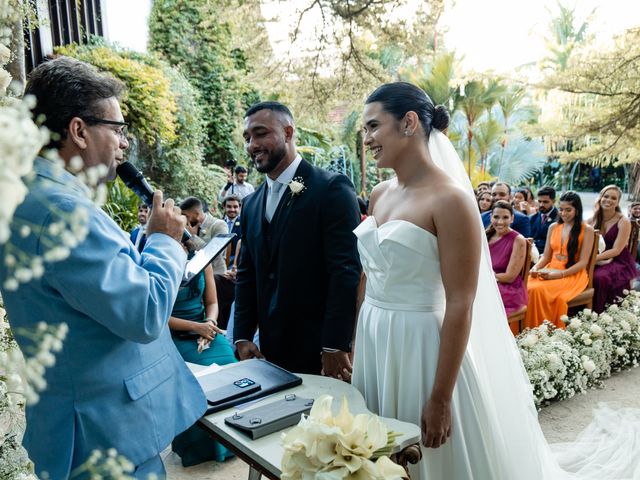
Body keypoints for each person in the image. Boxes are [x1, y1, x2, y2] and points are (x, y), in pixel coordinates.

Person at [352, 82, 640, 480]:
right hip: (374, 337)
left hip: (422, 344)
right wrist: (356, 338)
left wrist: (440, 397)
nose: (366, 139)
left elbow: (460, 302)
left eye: (372, 127)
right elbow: (369, 273)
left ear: (409, 123)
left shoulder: (450, 200)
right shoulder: (379, 194)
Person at [0, 57, 206, 479]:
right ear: (78, 130)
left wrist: (141, 245)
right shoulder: (60, 209)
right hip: (106, 440)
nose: (123, 144)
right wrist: (165, 240)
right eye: (117, 130)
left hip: (87, 426)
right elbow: (145, 312)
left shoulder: (33, 195)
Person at [234, 101, 361, 376]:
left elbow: (345, 270)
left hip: (320, 351)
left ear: (288, 133)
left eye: (260, 133)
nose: (252, 144)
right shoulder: (251, 204)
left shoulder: (330, 188)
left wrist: (334, 344)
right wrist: (242, 335)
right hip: (268, 352)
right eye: (247, 137)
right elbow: (247, 273)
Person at [526, 191, 594, 329]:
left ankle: (544, 330)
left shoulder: (586, 229)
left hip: (573, 273)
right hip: (550, 268)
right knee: (527, 286)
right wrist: (535, 268)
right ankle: (528, 329)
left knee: (538, 290)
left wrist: (560, 274)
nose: (563, 213)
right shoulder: (553, 227)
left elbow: (583, 263)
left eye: (568, 210)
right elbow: (545, 256)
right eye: (561, 209)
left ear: (577, 210)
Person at [588, 185, 637, 312]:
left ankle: (599, 313)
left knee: (599, 277)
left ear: (618, 202)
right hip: (595, 259)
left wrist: (593, 259)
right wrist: (592, 260)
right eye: (606, 196)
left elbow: (617, 250)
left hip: (617, 260)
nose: (608, 200)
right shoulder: (591, 219)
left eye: (613, 198)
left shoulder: (623, 221)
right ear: (600, 198)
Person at [486, 201, 528, 333]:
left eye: (505, 217)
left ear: (512, 218)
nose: (500, 222)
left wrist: (485, 278)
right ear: (490, 217)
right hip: (487, 282)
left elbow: (510, 277)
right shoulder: (486, 236)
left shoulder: (518, 239)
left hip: (506, 287)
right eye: (496, 217)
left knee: (480, 301)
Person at [180, 196, 228, 275]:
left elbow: (213, 254)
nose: (184, 219)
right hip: (192, 274)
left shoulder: (219, 225)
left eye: (186, 216)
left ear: (197, 213)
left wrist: (193, 236)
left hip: (215, 275)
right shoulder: (188, 227)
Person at [529, 186, 558, 253]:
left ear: (553, 201)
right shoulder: (532, 218)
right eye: (539, 201)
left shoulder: (560, 219)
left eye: (545, 202)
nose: (541, 205)